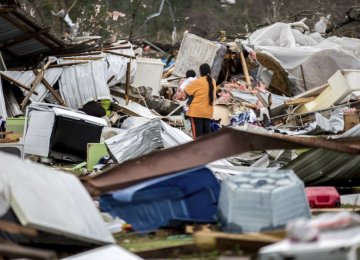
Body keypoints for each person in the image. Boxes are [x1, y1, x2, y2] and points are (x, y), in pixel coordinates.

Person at [185, 63, 216, 138]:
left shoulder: (198, 81)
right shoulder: (213, 81)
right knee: (206, 134)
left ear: (200, 72)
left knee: (197, 135)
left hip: (196, 111)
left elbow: (187, 89)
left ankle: (197, 148)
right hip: (208, 111)